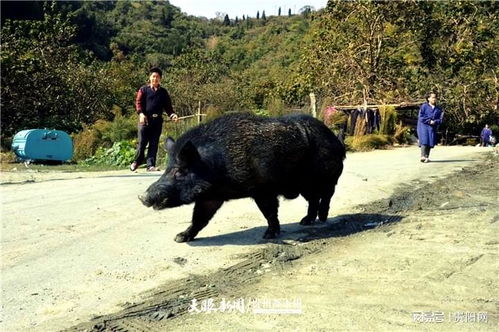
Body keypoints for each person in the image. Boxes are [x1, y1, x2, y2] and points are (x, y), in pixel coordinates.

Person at [130, 67, 178, 172]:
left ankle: (150, 166)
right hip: (145, 120)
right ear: (150, 77)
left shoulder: (163, 92)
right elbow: (138, 103)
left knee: (154, 143)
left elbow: (168, 107)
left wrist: (172, 115)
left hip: (157, 122)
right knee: (142, 142)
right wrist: (141, 114)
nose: (155, 79)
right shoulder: (143, 90)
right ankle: (136, 162)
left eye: (157, 77)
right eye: (153, 76)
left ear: (160, 79)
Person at [417, 92, 443, 163]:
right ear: (428, 99)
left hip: (432, 127)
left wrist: (435, 122)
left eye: (435, 97)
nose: (434, 99)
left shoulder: (438, 109)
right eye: (432, 97)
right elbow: (421, 117)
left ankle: (427, 157)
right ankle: (422, 156)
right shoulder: (424, 106)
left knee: (430, 141)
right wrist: (428, 121)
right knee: (424, 140)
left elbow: (440, 119)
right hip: (423, 126)